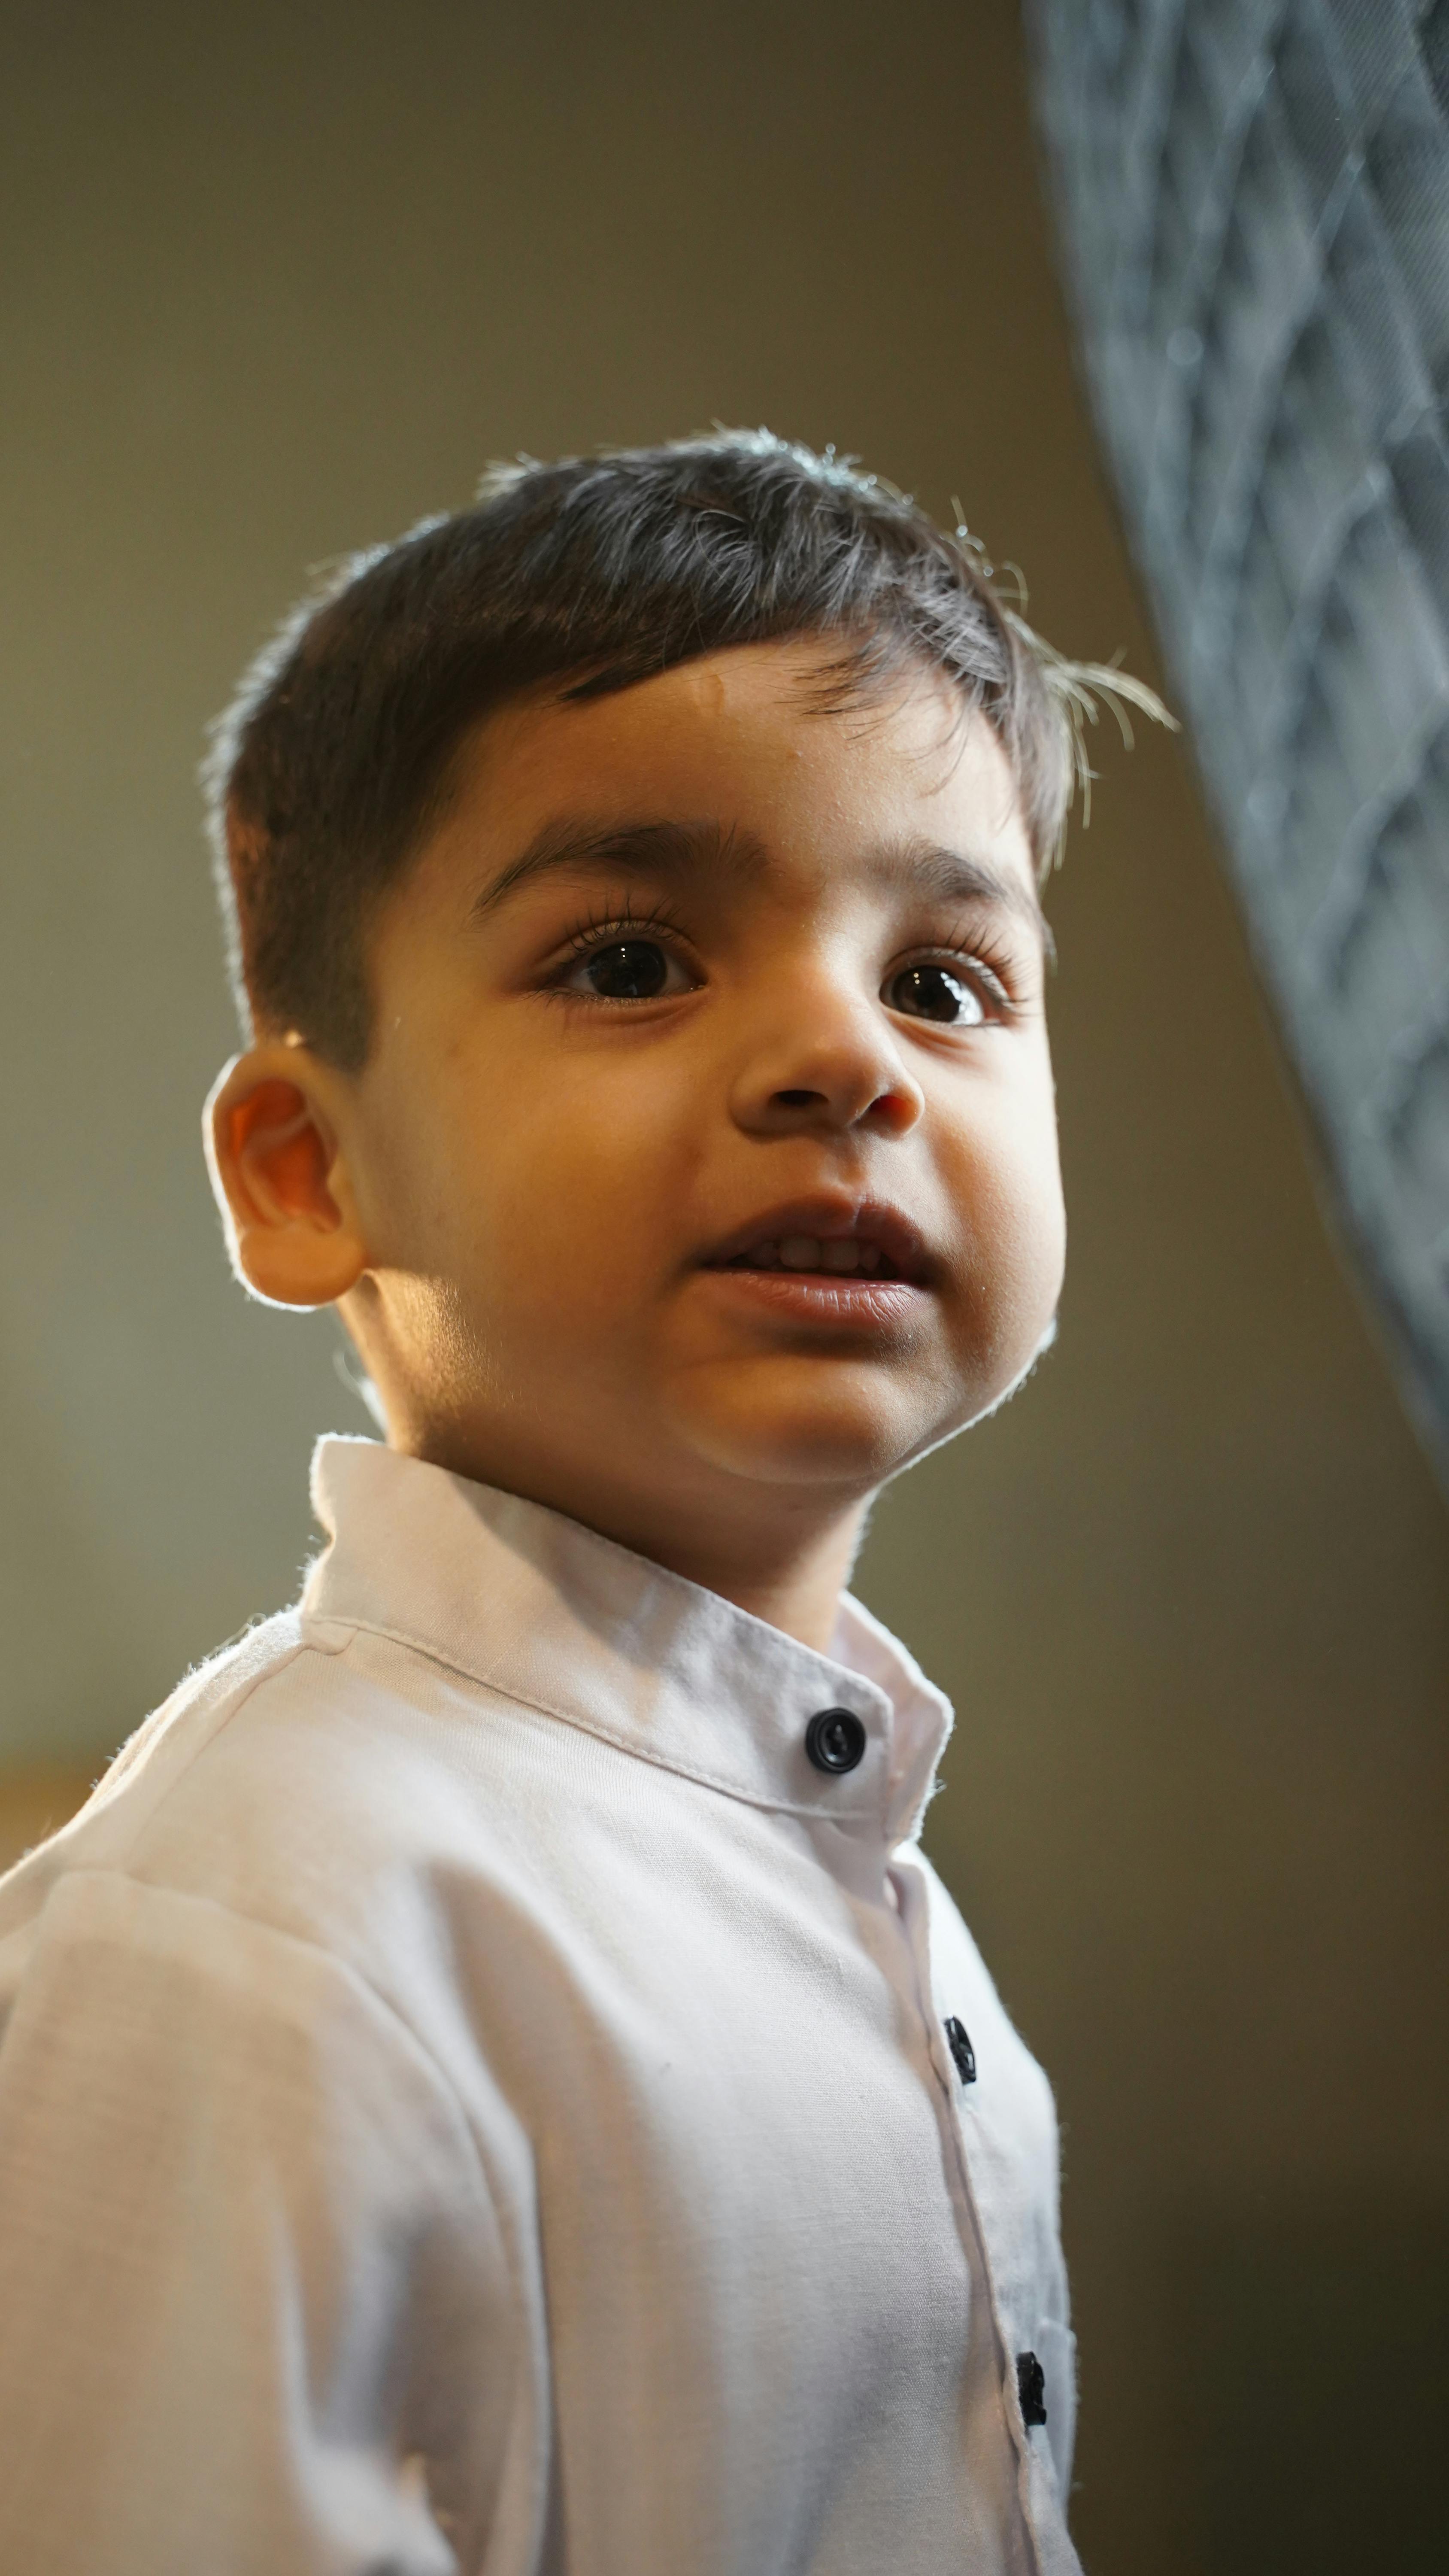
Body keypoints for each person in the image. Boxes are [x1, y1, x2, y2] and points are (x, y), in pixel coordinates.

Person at [0, 433, 1161, 2573]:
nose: (849, 1059)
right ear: (308, 1171)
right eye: (631, 960)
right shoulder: (259, 1942)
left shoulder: (853, 1868)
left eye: (942, 980)